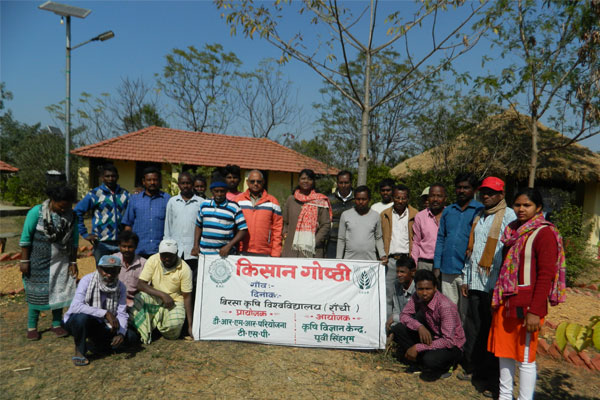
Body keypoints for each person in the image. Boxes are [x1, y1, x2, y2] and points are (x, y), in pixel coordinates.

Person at [488, 188, 566, 400]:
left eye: (527, 205)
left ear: (538, 207)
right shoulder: (512, 231)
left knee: (525, 357)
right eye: (517, 205)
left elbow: (546, 275)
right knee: (504, 352)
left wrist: (535, 310)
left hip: (527, 305)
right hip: (506, 300)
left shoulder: (544, 233)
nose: (521, 209)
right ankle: (505, 396)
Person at [459, 177, 516, 385]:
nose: (486, 196)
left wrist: (503, 284)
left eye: (491, 193)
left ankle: (490, 374)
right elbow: (472, 250)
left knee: (492, 329)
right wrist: (466, 278)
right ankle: (472, 366)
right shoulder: (479, 215)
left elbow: (511, 253)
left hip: (494, 284)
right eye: (484, 192)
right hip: (475, 281)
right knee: (474, 326)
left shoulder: (510, 216)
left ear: (501, 194)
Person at [19, 185, 78, 340]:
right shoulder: (36, 212)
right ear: (52, 200)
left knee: (59, 291)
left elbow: (74, 241)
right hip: (38, 261)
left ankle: (56, 324)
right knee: (36, 293)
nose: (63, 210)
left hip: (61, 261)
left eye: (67, 207)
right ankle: (32, 326)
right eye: (61, 206)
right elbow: (26, 237)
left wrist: (73, 261)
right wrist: (24, 260)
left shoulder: (72, 215)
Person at [62, 255, 138, 366]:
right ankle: (80, 351)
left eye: (113, 271)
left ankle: (98, 345)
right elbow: (76, 306)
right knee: (81, 318)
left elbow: (121, 313)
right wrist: (105, 313)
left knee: (131, 337)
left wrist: (121, 334)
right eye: (106, 270)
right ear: (98, 268)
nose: (109, 274)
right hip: (82, 321)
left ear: (119, 271)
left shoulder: (120, 286)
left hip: (103, 324)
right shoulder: (87, 280)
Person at [392, 269, 465, 381]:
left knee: (430, 360)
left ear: (435, 288)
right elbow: (404, 315)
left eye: (428, 289)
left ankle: (448, 365)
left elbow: (448, 341)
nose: (424, 293)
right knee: (398, 329)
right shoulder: (417, 296)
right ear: (416, 288)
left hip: (451, 346)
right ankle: (419, 362)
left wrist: (418, 347)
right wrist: (419, 327)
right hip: (434, 336)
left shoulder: (445, 306)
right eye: (420, 289)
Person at [433, 173, 483, 319]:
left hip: (467, 271)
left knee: (466, 313)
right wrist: (437, 265)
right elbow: (441, 238)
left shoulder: (480, 211)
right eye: (459, 187)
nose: (461, 191)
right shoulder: (449, 210)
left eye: (466, 188)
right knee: (448, 311)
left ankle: (463, 335)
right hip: (447, 269)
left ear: (474, 190)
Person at [130, 239, 194, 344]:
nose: (167, 258)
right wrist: (162, 295)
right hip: (155, 296)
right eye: (163, 255)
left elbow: (187, 297)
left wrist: (190, 326)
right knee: (139, 299)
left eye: (170, 255)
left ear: (177, 253)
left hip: (175, 301)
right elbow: (141, 284)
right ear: (159, 254)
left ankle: (155, 327)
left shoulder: (185, 269)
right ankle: (146, 330)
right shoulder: (153, 260)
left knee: (174, 327)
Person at [74, 164, 130, 263]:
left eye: (113, 176)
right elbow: (77, 211)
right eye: (107, 176)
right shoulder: (95, 194)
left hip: (120, 243)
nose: (110, 179)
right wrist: (84, 233)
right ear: (102, 178)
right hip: (101, 243)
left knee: (121, 270)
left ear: (117, 177)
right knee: (102, 270)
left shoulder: (125, 194)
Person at [381, 184, 418, 317]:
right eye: (397, 198)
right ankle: (389, 324)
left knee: (409, 295)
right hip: (390, 261)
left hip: (408, 260)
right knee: (389, 295)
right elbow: (379, 237)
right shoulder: (384, 215)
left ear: (408, 199)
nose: (400, 201)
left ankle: (408, 323)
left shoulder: (415, 215)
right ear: (392, 198)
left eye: (403, 198)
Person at [191, 175, 248, 257]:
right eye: (216, 191)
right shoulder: (204, 205)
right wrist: (196, 245)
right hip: (205, 254)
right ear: (211, 191)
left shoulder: (234, 207)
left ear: (226, 191)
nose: (219, 194)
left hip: (225, 255)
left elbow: (243, 229)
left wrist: (229, 246)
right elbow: (198, 225)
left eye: (222, 191)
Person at [122, 166, 170, 259]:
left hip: (160, 250)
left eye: (155, 180)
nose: (152, 182)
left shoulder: (167, 199)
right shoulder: (134, 199)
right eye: (149, 180)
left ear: (159, 181)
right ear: (143, 181)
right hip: (139, 250)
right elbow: (128, 224)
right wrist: (127, 246)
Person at [282, 169, 332, 258]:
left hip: (312, 249)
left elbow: (326, 225)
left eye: (309, 179)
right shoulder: (291, 199)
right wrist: (285, 233)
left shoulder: (320, 201)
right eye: (303, 178)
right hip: (291, 247)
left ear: (313, 182)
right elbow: (285, 221)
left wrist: (314, 241)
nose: (306, 181)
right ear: (299, 181)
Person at [164, 171, 203, 282]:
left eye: (188, 183)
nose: (185, 186)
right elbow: (168, 225)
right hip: (176, 249)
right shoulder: (172, 201)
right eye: (183, 183)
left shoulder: (201, 202)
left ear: (193, 184)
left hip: (193, 250)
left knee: (192, 281)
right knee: (175, 280)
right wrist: (167, 246)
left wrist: (198, 246)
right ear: (179, 185)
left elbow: (203, 226)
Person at [234, 170, 283, 257]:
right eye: (252, 181)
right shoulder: (238, 200)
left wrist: (276, 253)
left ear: (263, 182)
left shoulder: (272, 202)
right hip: (241, 250)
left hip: (265, 252)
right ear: (247, 182)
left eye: (259, 181)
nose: (255, 184)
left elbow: (277, 229)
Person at [336, 185, 386, 262]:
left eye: (364, 199)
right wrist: (338, 258)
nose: (361, 202)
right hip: (349, 260)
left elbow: (378, 238)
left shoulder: (375, 216)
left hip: (370, 261)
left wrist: (382, 255)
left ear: (369, 199)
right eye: (358, 199)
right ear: (354, 199)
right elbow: (341, 239)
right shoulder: (345, 215)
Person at [412, 184, 447, 271]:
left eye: (439, 196)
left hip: (445, 264)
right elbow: (416, 243)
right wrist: (414, 265)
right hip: (424, 265)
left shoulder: (451, 215)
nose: (435, 199)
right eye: (432, 196)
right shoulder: (420, 216)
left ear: (445, 198)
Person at [112, 230, 146, 308]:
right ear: (119, 246)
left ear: (136, 247)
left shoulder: (143, 264)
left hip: (135, 301)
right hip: (114, 298)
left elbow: (146, 287)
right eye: (124, 246)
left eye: (130, 247)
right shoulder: (113, 259)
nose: (126, 250)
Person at [326, 170, 354, 258]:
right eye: (341, 183)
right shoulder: (329, 199)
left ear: (351, 183)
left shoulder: (357, 199)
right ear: (337, 183)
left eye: (346, 182)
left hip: (352, 243)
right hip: (332, 243)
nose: (343, 185)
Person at [386, 255, 416, 333]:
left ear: (412, 272)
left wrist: (395, 318)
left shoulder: (418, 289)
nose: (399, 275)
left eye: (402, 272)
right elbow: (396, 310)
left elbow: (415, 317)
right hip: (401, 323)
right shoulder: (397, 285)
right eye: (397, 272)